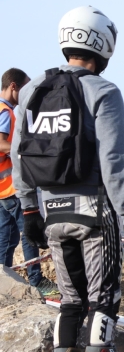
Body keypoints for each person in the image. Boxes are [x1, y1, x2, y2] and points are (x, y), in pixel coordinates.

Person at [10, 6, 124, 352]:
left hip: (51, 212)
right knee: (104, 298)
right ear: (104, 46)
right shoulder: (102, 91)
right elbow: (114, 159)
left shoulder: (33, 89)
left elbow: (18, 154)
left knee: (69, 301)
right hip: (95, 211)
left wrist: (29, 210)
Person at [0, 69, 58, 296]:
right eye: (24, 88)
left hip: (4, 190)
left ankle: (4, 282)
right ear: (13, 86)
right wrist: (27, 150)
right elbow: (1, 144)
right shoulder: (5, 112)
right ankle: (36, 281)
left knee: (6, 239)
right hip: (12, 187)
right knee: (30, 234)